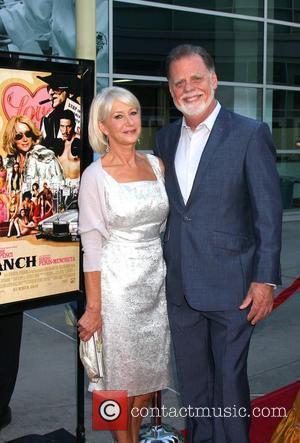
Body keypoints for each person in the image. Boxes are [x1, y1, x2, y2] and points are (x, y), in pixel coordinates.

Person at [153, 44, 282, 443]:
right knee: (193, 386)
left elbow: (267, 214)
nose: (188, 88)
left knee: (228, 383)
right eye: (179, 82)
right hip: (181, 288)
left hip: (234, 287)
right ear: (171, 91)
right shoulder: (165, 139)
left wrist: (265, 280)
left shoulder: (250, 133)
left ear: (213, 80)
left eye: (196, 78)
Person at [78, 86, 170, 443]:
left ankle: (130, 437)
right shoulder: (94, 176)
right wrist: (94, 307)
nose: (129, 122)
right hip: (116, 287)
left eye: (132, 113)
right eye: (118, 116)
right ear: (102, 126)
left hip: (153, 285)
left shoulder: (156, 165)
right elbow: (91, 245)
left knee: (147, 383)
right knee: (114, 383)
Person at [2, 115, 64, 193]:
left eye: (28, 134)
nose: (25, 139)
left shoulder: (47, 159)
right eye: (19, 136)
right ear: (12, 139)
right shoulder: (8, 165)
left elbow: (60, 191)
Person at [37, 72, 80, 150]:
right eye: (49, 88)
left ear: (69, 92)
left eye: (55, 88)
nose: (51, 92)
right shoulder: (47, 119)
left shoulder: (83, 115)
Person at [57, 109, 80, 181]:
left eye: (68, 126)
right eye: (62, 126)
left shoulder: (80, 142)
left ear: (74, 125)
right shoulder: (59, 144)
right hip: (62, 187)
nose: (65, 131)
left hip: (78, 186)